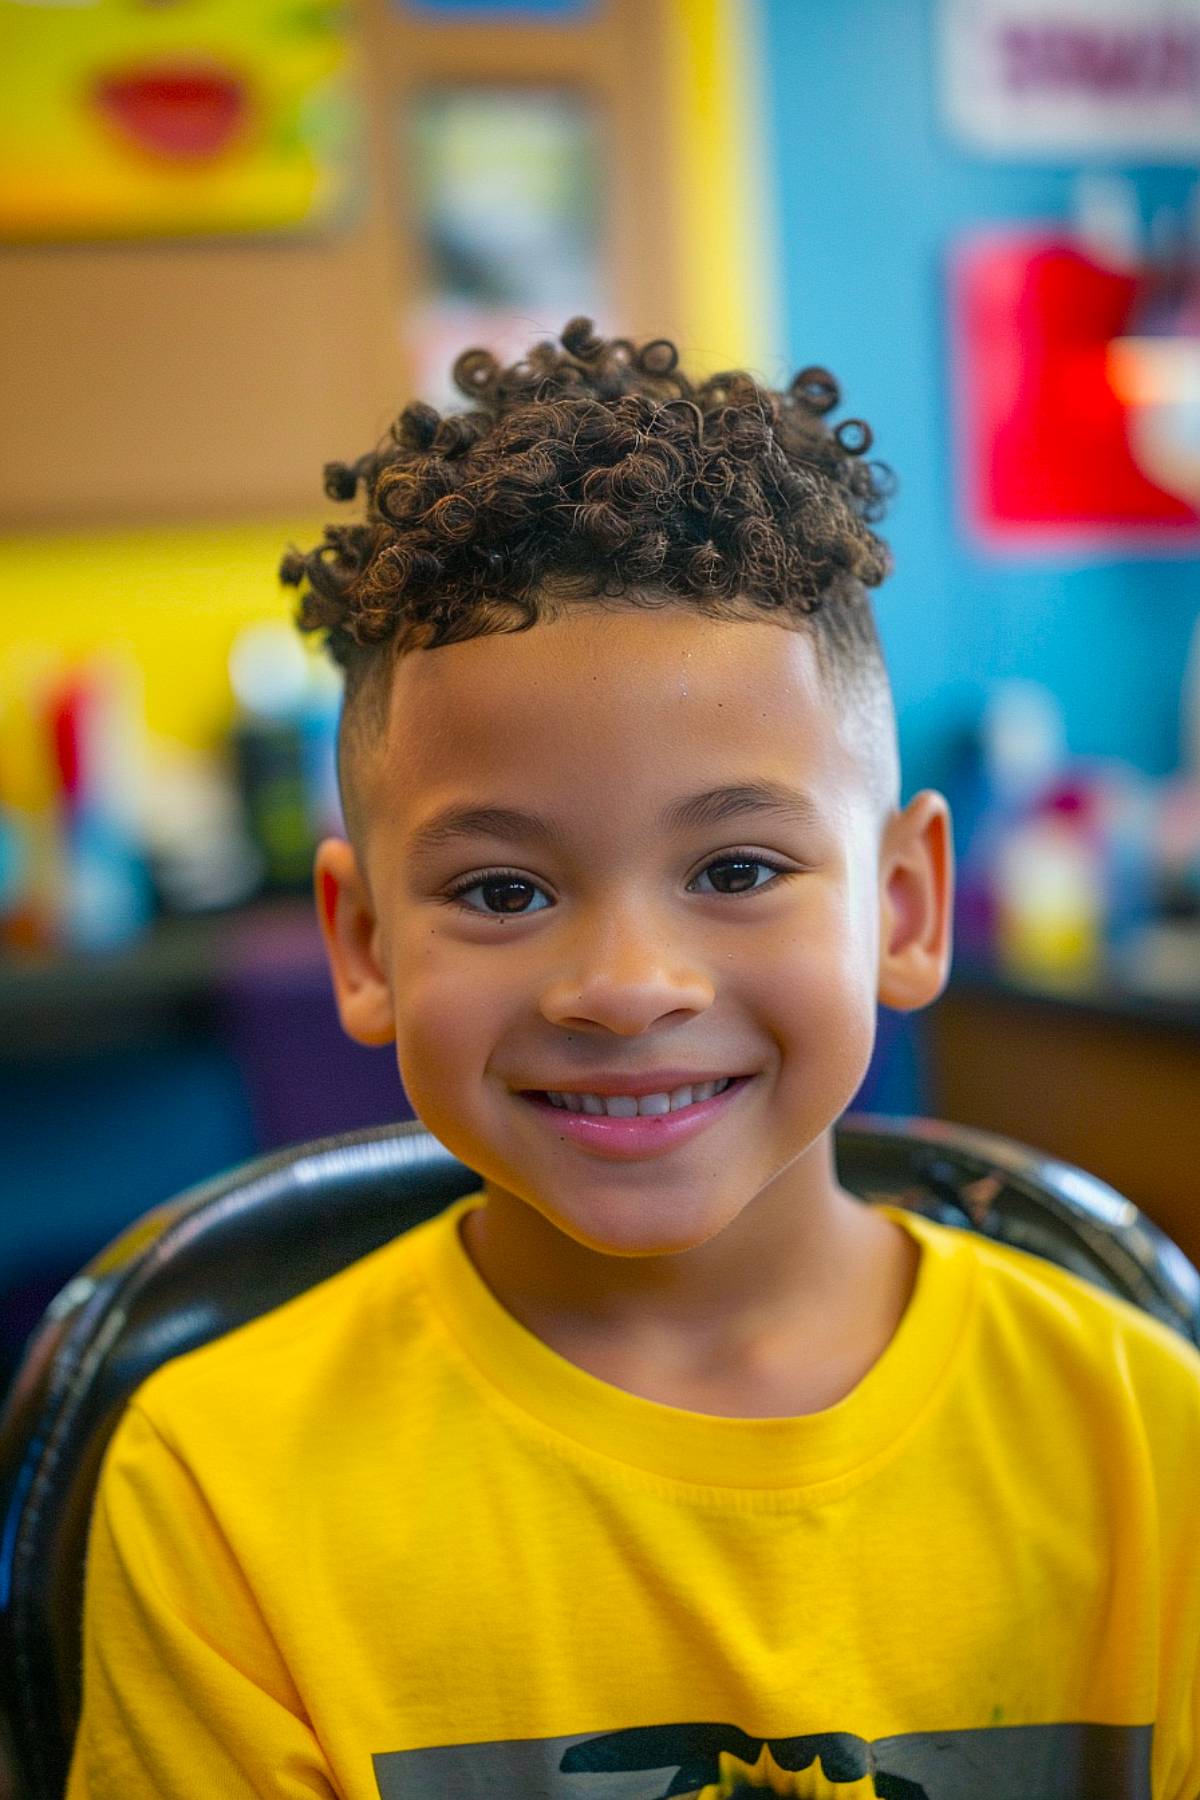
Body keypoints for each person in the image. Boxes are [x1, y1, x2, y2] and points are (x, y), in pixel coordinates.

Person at [68, 322, 1200, 1800]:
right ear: (362, 946)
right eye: (501, 892)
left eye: (734, 868)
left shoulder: (1143, 1434)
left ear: (904, 908)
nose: (624, 988)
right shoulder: (218, 1484)